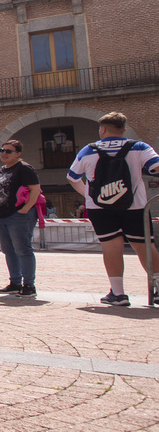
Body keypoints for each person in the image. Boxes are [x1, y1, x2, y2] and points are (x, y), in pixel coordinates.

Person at [67, 112, 159, 307]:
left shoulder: (88, 150)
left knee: (111, 247)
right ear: (124, 129)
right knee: (145, 247)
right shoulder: (139, 147)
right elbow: (155, 167)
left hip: (100, 208)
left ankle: (118, 294)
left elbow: (73, 177)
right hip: (135, 206)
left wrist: (88, 195)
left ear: (102, 129)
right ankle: (158, 287)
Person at [0, 140, 41, 298]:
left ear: (18, 153)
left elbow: (35, 189)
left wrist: (25, 209)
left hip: (18, 215)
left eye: (8, 151)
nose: (4, 153)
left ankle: (29, 285)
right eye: (2, 150)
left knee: (23, 249)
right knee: (8, 250)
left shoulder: (24, 168)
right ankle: (15, 282)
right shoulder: (0, 170)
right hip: (1, 214)